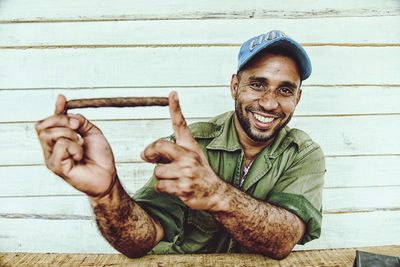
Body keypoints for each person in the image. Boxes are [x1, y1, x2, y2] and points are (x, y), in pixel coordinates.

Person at [35, 30, 325, 260]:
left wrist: (216, 195)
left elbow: (284, 238)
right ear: (235, 86)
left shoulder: (304, 153)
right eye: (258, 85)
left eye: (285, 90)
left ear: (297, 98)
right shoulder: (191, 146)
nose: (269, 103)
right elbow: (140, 239)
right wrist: (107, 194)